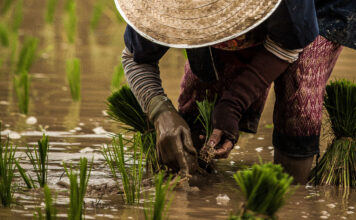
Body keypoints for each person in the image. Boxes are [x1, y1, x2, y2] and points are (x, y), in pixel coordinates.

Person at [114, 0, 355, 183]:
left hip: (316, 9)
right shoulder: (158, 6)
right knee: (202, 95)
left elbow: (290, 44)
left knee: (300, 94)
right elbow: (135, 58)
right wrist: (160, 112)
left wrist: (234, 102)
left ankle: (290, 195)